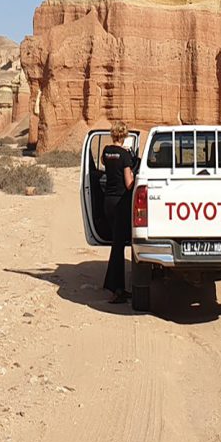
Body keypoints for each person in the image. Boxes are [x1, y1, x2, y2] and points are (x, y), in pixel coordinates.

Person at [101, 121, 135, 304]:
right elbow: (129, 183)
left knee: (117, 244)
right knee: (118, 246)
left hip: (107, 202)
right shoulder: (125, 155)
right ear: (124, 136)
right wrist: (135, 173)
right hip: (121, 203)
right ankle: (116, 289)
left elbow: (103, 164)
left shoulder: (106, 151)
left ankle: (116, 287)